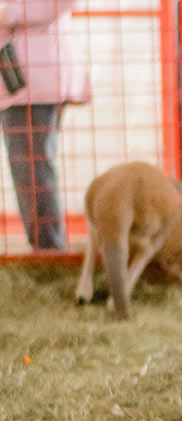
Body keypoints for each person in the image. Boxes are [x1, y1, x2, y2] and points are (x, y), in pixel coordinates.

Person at [0, 0, 92, 251]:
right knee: (29, 169)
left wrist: (8, 13)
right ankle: (47, 250)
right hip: (17, 78)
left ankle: (50, 253)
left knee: (32, 170)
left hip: (32, 78)